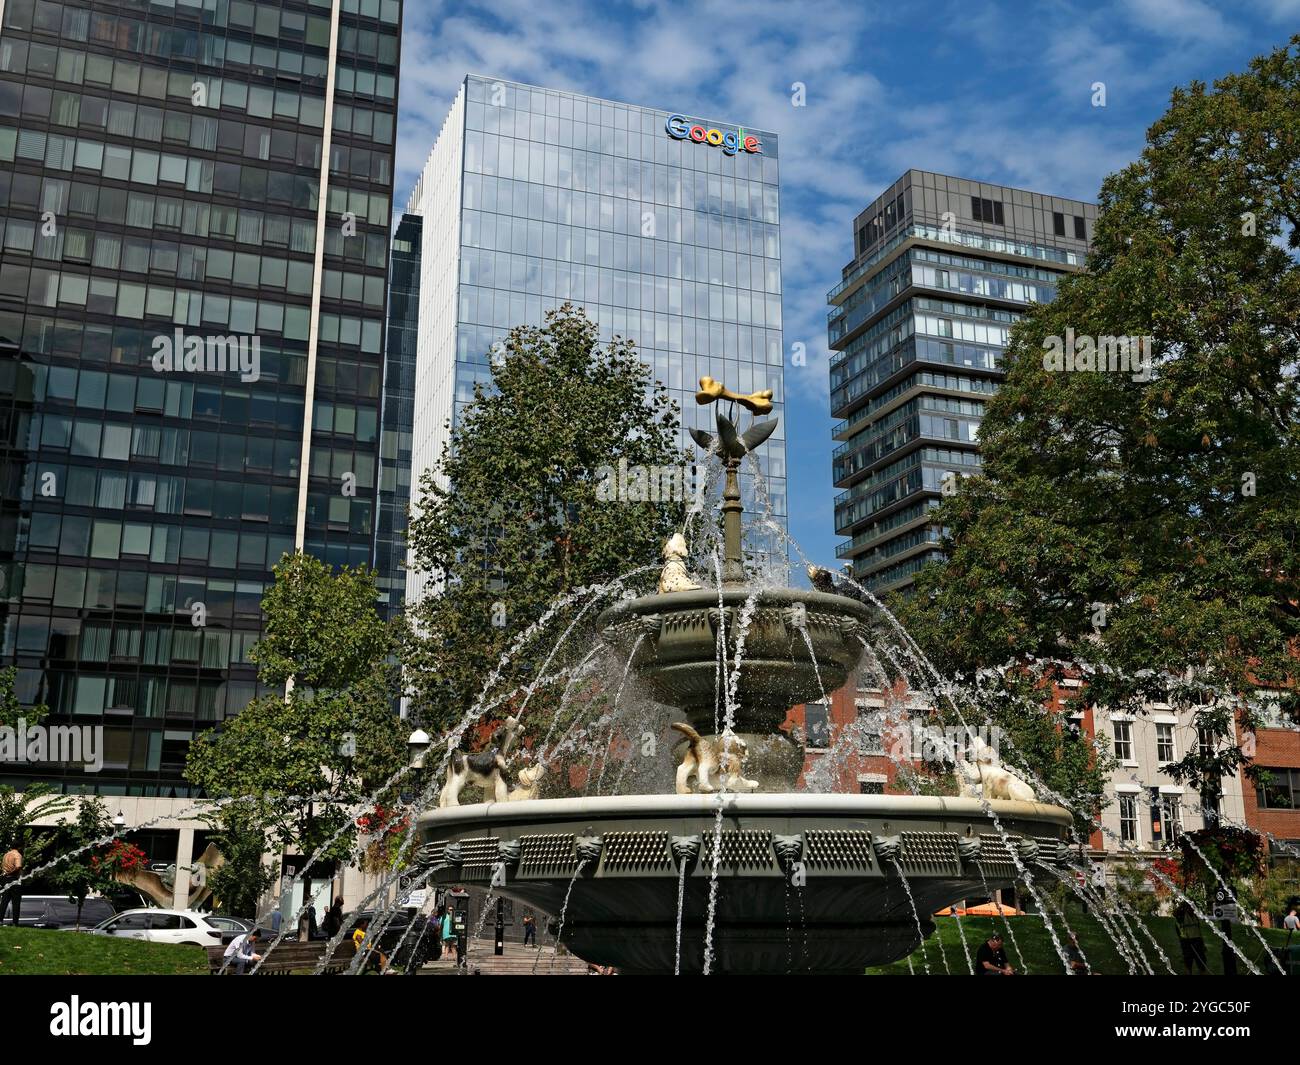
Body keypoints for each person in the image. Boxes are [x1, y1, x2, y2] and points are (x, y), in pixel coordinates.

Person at [1175, 900, 1209, 975]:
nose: (1193, 908)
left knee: (1202, 964)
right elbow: (1175, 913)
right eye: (1191, 906)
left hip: (1198, 941)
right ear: (1187, 907)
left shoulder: (1195, 917)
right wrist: (1182, 905)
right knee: (1188, 964)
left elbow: (1199, 931)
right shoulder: (1182, 916)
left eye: (1193, 907)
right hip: (1187, 942)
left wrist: (1203, 944)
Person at [0, 846, 22, 926]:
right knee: (16, 902)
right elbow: (18, 866)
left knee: (4, 901)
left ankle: (0, 920)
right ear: (19, 847)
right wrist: (11, 873)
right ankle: (15, 923)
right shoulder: (17, 854)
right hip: (14, 879)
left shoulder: (6, 855)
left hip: (5, 879)